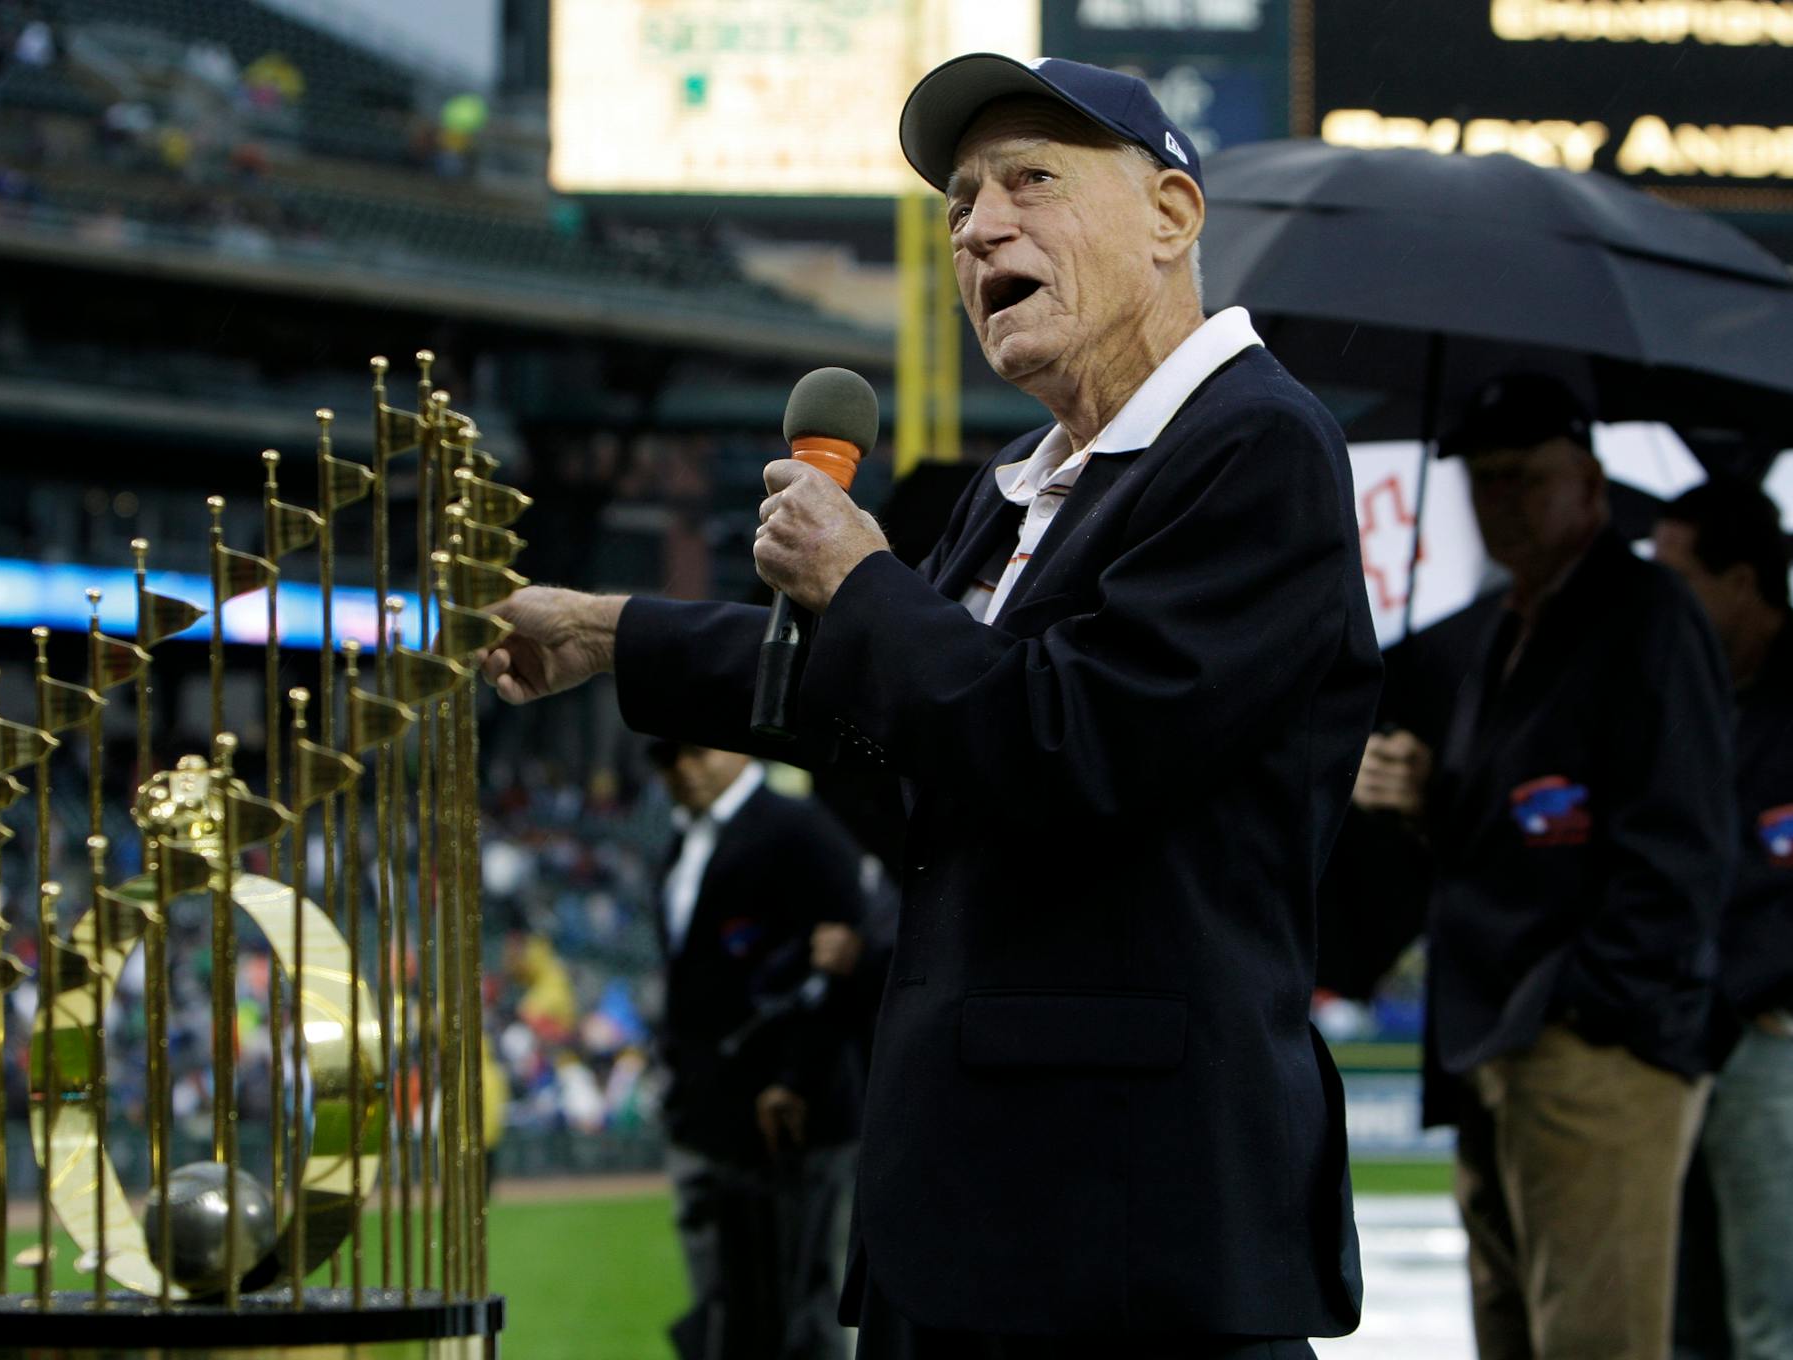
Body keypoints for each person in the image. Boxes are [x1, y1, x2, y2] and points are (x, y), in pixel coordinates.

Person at [483, 53, 1378, 1356]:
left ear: (1173, 218)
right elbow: (883, 700)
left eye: (1031, 182)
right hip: (973, 1210)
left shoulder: (1256, 447)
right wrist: (609, 632)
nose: (978, 227)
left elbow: (1070, 741)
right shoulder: (1019, 481)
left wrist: (860, 581)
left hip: (1130, 1222)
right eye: (960, 200)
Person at [1354, 374, 1737, 1360]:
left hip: (1584, 1044)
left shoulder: (1646, 614)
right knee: (1516, 1334)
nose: (1499, 502)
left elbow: (1683, 849)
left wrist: (1583, 1015)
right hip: (1497, 1037)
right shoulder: (1504, 627)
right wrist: (1427, 800)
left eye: (1525, 477)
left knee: (1593, 1341)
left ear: (1592, 488)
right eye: (1482, 480)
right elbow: (1514, 829)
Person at [1652, 480, 1793, 1360]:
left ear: (1741, 580)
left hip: (1779, 1038)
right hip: (1673, 1036)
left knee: (1779, 1317)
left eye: (1678, 574)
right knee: (1682, 1316)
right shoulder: (1673, 687)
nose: (1658, 595)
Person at [648, 740, 869, 1360]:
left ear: (738, 746)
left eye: (694, 750)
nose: (683, 769)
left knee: (807, 1308)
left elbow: (841, 965)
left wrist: (797, 1078)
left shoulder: (799, 829)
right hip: (705, 1115)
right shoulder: (682, 841)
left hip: (793, 1118)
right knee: (723, 1308)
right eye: (665, 759)